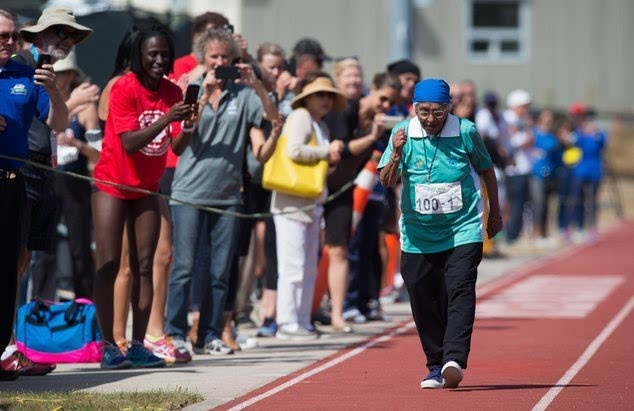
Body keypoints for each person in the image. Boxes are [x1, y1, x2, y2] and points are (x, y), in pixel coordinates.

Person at [378, 79, 502, 389]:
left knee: (459, 289)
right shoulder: (402, 133)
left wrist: (494, 212)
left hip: (463, 228)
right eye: (424, 112)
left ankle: (454, 359)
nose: (431, 119)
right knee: (422, 296)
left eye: (437, 112)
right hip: (418, 233)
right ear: (414, 109)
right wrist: (396, 153)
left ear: (448, 108)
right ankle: (435, 364)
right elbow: (385, 181)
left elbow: (487, 170)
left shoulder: (465, 131)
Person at [166, 29, 279, 356]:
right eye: (214, 58)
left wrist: (256, 84)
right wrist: (202, 93)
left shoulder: (243, 96)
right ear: (203, 59)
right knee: (184, 266)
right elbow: (183, 134)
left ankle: (211, 333)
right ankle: (175, 332)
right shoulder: (191, 88)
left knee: (220, 271)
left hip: (229, 195)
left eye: (225, 58)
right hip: (187, 191)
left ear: (234, 60)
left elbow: (271, 117)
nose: (220, 63)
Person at [91, 26, 197, 369]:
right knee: (108, 264)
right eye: (152, 54)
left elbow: (176, 146)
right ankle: (109, 344)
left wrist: (189, 128)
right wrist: (168, 117)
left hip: (147, 188)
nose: (159, 60)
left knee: (145, 265)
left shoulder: (170, 91)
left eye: (164, 54)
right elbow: (129, 143)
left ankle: (138, 344)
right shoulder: (124, 87)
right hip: (112, 183)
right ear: (139, 56)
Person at [0, 8, 68, 380]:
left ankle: (4, 348)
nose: (10, 43)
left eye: (13, 36)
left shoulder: (28, 74)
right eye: (2, 36)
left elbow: (58, 123)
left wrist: (55, 92)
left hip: (16, 180)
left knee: (13, 267)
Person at [12, 7, 92, 297]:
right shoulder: (16, 65)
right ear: (39, 35)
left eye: (72, 35)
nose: (67, 39)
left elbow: (56, 123)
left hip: (46, 171)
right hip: (20, 169)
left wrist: (59, 94)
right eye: (61, 32)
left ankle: (15, 335)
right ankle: (8, 340)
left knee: (25, 261)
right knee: (14, 260)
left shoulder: (46, 73)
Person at [320, 70, 400, 329]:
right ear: (373, 87)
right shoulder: (347, 111)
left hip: (367, 191)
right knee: (345, 249)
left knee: (365, 248)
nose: (385, 106)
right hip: (339, 189)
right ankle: (344, 304)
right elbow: (343, 150)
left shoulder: (376, 119)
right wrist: (372, 136)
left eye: (391, 103)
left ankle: (362, 301)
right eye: (384, 99)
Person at [271, 72, 345, 340]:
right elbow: (293, 150)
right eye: (320, 95)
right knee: (292, 266)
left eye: (329, 95)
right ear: (307, 97)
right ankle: (287, 322)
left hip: (311, 201)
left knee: (307, 267)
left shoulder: (320, 125)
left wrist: (329, 157)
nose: (326, 100)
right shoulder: (300, 117)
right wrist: (326, 152)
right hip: (292, 202)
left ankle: (302, 320)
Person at [52, 51, 100, 299]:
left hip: (74, 180)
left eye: (61, 73)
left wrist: (77, 145)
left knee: (79, 247)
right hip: (49, 179)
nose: (57, 77)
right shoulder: (44, 99)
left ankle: (85, 306)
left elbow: (98, 153)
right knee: (43, 251)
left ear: (71, 75)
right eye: (54, 72)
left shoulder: (86, 107)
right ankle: (40, 307)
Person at [565, 102, 606, 243]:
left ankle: (592, 230)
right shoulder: (578, 133)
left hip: (595, 171)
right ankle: (569, 228)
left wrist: (593, 133)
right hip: (580, 171)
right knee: (575, 199)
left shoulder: (599, 134)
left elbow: (602, 143)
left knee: (593, 201)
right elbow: (570, 140)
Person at [503, 89, 535, 243]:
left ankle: (516, 234)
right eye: (524, 106)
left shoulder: (523, 120)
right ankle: (510, 236)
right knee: (513, 204)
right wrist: (525, 141)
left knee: (522, 203)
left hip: (524, 168)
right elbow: (509, 143)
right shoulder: (508, 119)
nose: (526, 109)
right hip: (513, 169)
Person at [530, 109, 562, 245]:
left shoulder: (553, 137)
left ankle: (545, 233)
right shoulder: (534, 134)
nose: (548, 121)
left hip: (551, 175)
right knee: (538, 204)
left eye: (550, 119)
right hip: (537, 175)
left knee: (547, 205)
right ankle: (535, 234)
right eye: (546, 118)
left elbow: (557, 156)